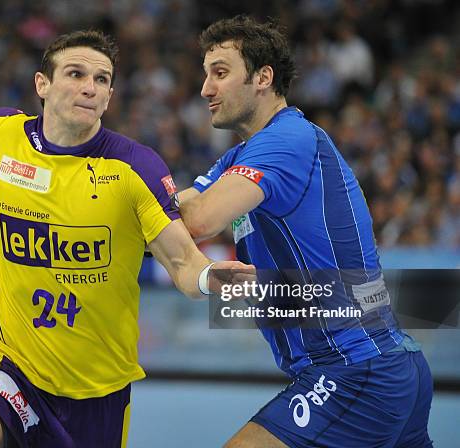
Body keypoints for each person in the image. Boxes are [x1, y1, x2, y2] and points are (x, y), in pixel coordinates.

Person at [0, 30, 254, 448]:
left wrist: (212, 279)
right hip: (8, 364)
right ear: (43, 84)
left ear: (109, 96)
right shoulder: (6, 136)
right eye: (76, 74)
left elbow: (183, 262)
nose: (90, 88)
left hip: (97, 390)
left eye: (102, 80)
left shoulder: (135, 167)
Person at [179, 16, 433, 448]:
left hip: (356, 371)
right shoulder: (240, 157)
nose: (205, 89)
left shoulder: (287, 139)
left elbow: (199, 220)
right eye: (206, 75)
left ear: (263, 78)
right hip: (381, 368)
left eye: (220, 73)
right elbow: (175, 211)